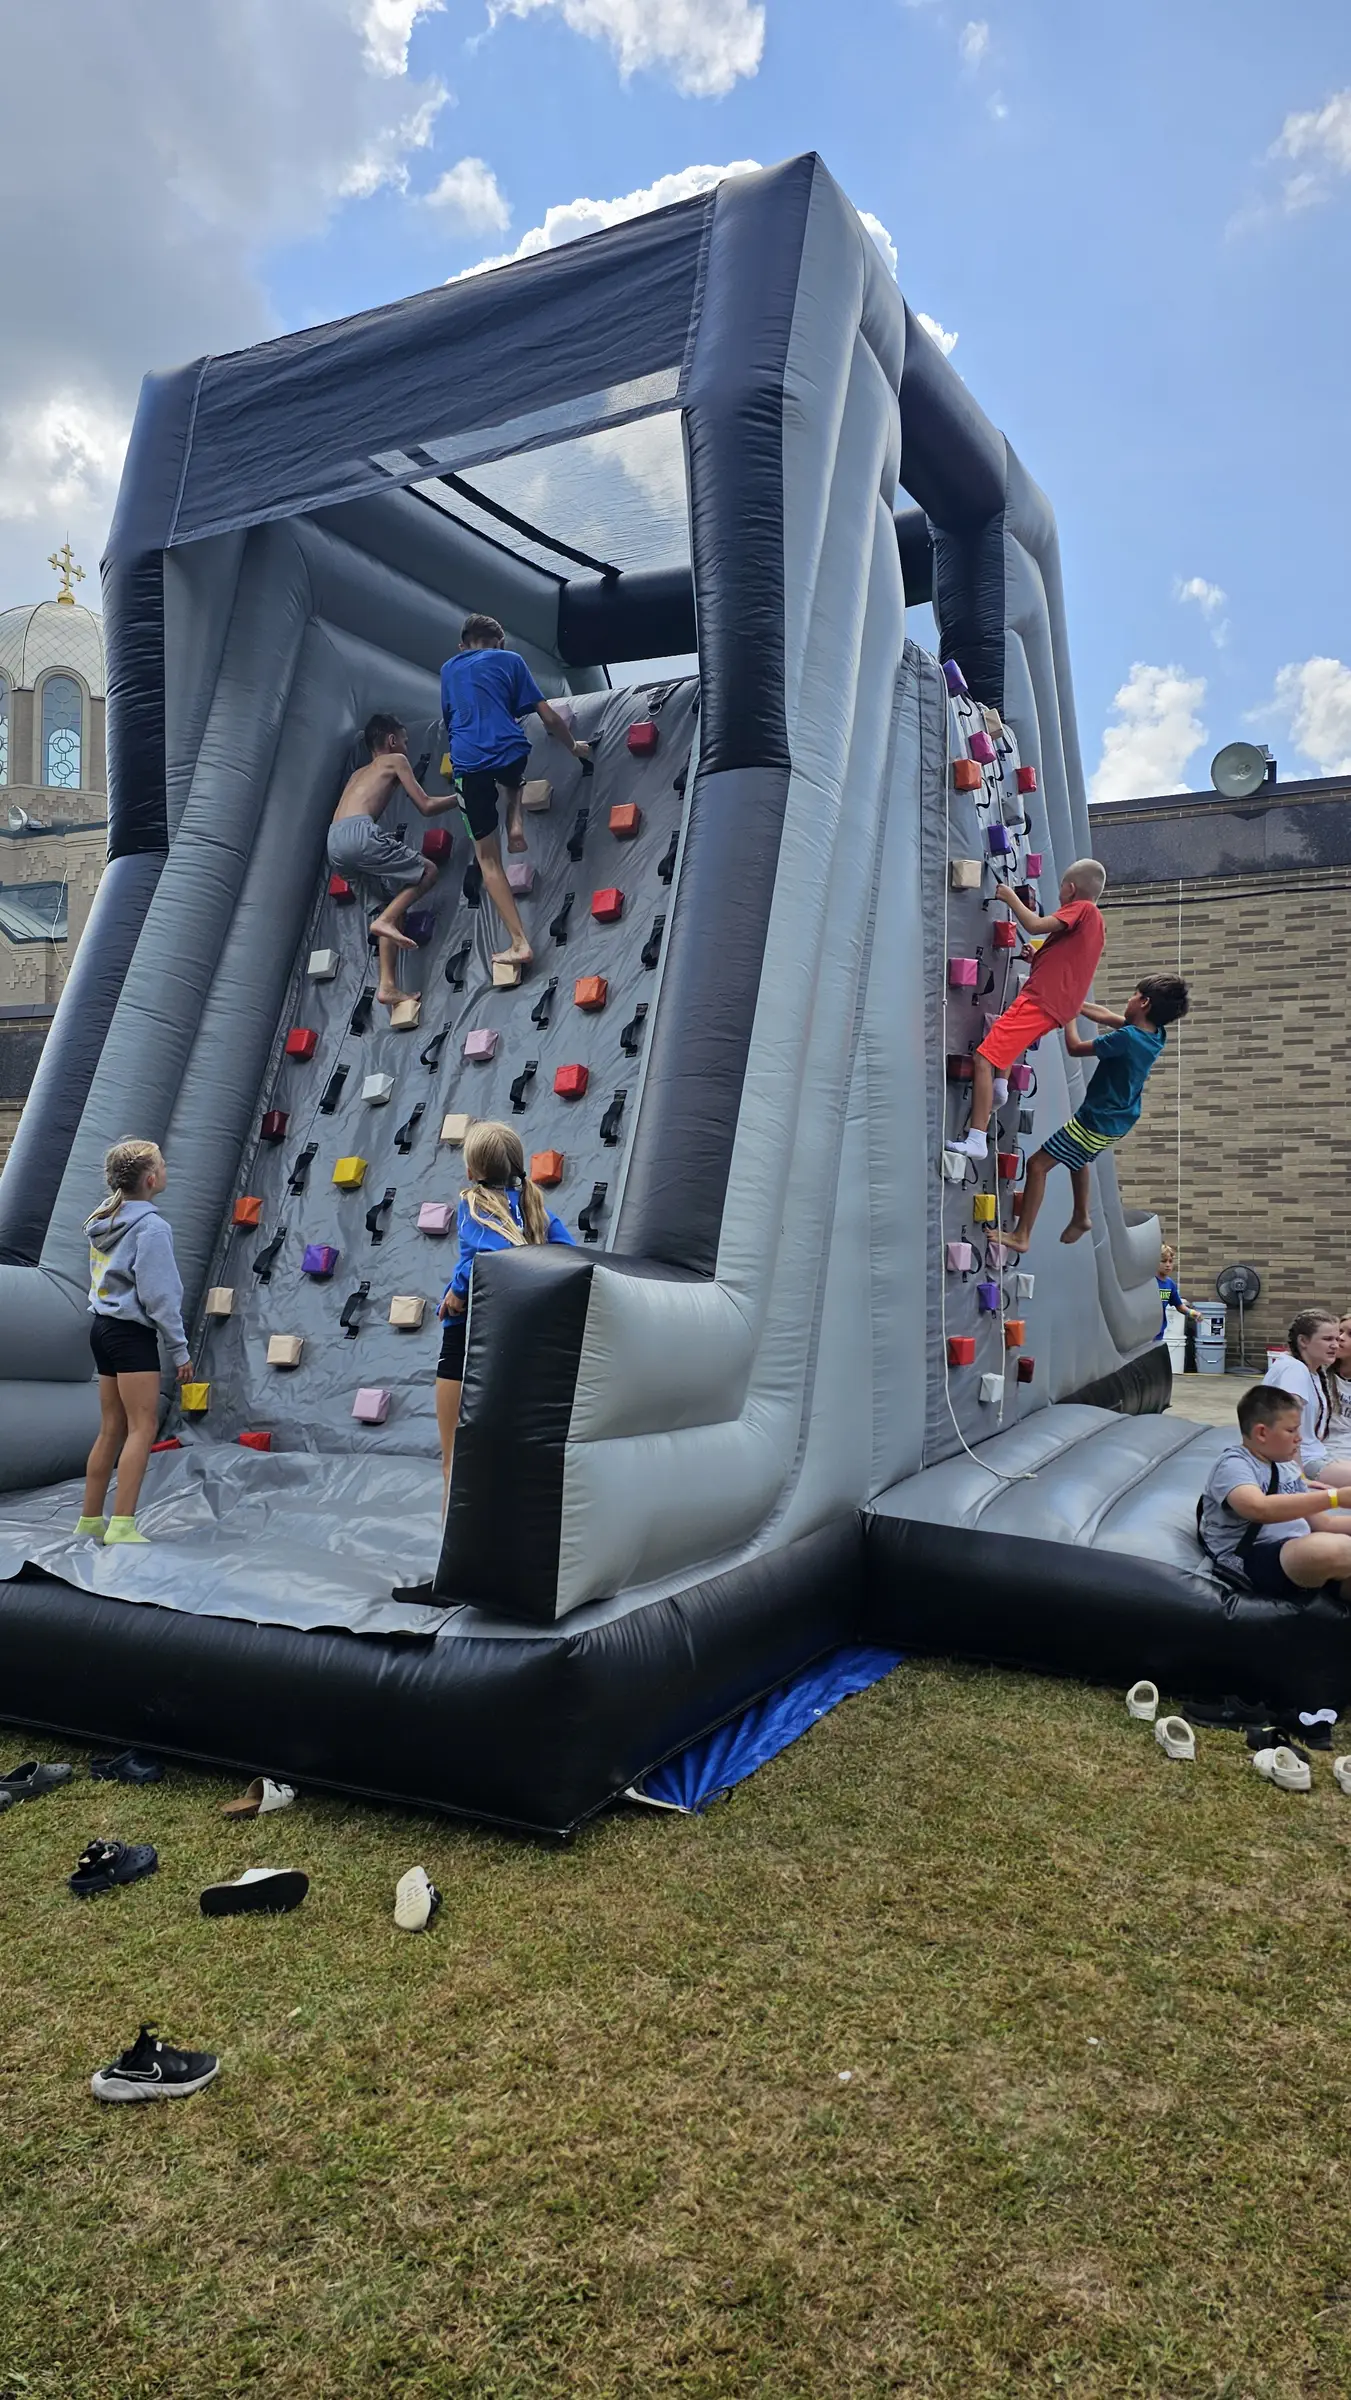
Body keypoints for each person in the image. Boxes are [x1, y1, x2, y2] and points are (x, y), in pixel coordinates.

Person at [442, 614, 591, 970]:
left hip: (469, 762)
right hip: (511, 750)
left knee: (488, 860)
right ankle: (515, 817)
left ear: (463, 646)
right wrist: (575, 748)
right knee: (512, 776)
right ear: (501, 643)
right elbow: (549, 717)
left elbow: (451, 720)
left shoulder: (450, 668)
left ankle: (519, 942)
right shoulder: (511, 660)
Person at [435, 1120, 576, 1494]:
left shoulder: (473, 1202)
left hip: (467, 1334)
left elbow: (488, 1253)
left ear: (471, 1172)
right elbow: (568, 1254)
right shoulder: (534, 1204)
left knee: (453, 1460)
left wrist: (458, 1290)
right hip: (517, 1340)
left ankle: (452, 1550)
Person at [1005, 975, 1190, 1252]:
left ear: (1144, 1002)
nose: (1129, 999)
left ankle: (1022, 1236)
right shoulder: (1153, 1034)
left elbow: (1075, 1048)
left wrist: (1066, 1016)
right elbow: (1105, 1015)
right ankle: (1081, 1216)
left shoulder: (1128, 1039)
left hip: (1098, 1120)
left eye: (1133, 994)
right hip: (1117, 1119)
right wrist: (1075, 1004)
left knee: (1037, 1165)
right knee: (1077, 1157)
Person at [948, 859, 1109, 1163]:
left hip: (1042, 1000)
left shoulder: (1083, 909)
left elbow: (1035, 924)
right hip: (1053, 1003)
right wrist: (1037, 958)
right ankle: (998, 1088)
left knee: (984, 1057)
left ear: (1070, 889)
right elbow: (1068, 965)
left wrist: (1010, 898)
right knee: (1003, 1034)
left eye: (1062, 885)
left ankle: (977, 1139)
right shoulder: (1095, 925)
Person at [76, 1138, 193, 1547]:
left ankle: (90, 1520)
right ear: (151, 1178)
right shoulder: (152, 1228)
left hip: (102, 1329)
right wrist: (179, 1349)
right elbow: (161, 1295)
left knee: (111, 1427)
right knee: (142, 1427)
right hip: (130, 1334)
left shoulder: (104, 1219)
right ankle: (122, 1524)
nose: (165, 1169)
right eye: (162, 1165)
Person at [327, 715, 459, 1008]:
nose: (407, 748)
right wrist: (461, 797)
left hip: (334, 842)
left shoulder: (357, 774)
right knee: (428, 871)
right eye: (405, 741)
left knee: (389, 905)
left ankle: (387, 986)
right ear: (392, 741)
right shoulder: (395, 761)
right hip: (359, 833)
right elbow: (425, 806)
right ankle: (386, 921)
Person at [1198, 1381, 1351, 1601]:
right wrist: (1336, 1498)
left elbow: (1324, 1524)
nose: (1299, 1438)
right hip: (1254, 1558)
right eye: (1291, 1430)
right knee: (1331, 1549)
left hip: (1297, 1556)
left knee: (1329, 1548)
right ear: (1261, 1433)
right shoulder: (1235, 1464)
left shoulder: (1286, 1466)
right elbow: (1258, 1508)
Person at [1324, 1315, 1351, 1461]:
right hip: (1323, 1449)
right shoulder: (1322, 1373)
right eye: (1339, 1332)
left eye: (1350, 1334)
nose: (1341, 1337)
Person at [1156, 1242, 1189, 1344]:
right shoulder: (1148, 1282)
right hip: (1143, 1335)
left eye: (1170, 1261)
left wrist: (1193, 1313)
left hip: (1158, 1334)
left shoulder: (1170, 1284)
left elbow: (1179, 1306)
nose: (1168, 1265)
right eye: (1164, 1261)